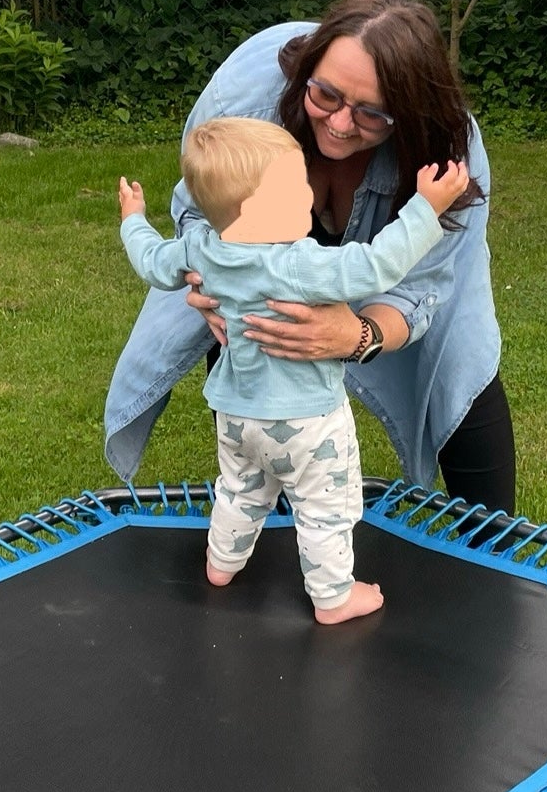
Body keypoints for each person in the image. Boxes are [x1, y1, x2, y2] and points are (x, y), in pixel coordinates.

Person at [105, 0, 516, 512]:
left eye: (372, 115)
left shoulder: (447, 157)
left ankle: (493, 552)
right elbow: (199, 211)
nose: (341, 124)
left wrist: (358, 334)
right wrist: (209, 284)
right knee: (244, 319)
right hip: (258, 256)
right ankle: (264, 514)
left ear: (408, 115)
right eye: (326, 96)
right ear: (307, 72)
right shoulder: (247, 99)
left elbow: (420, 284)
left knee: (458, 360)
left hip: (404, 249)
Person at [118, 116, 470, 622]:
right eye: (293, 188)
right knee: (326, 509)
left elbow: (151, 260)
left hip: (236, 417)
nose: (308, 194)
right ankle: (333, 597)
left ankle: (221, 562)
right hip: (308, 424)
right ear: (254, 209)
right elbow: (378, 265)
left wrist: (133, 216)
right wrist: (425, 208)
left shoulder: (202, 249)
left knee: (239, 491)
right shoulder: (298, 264)